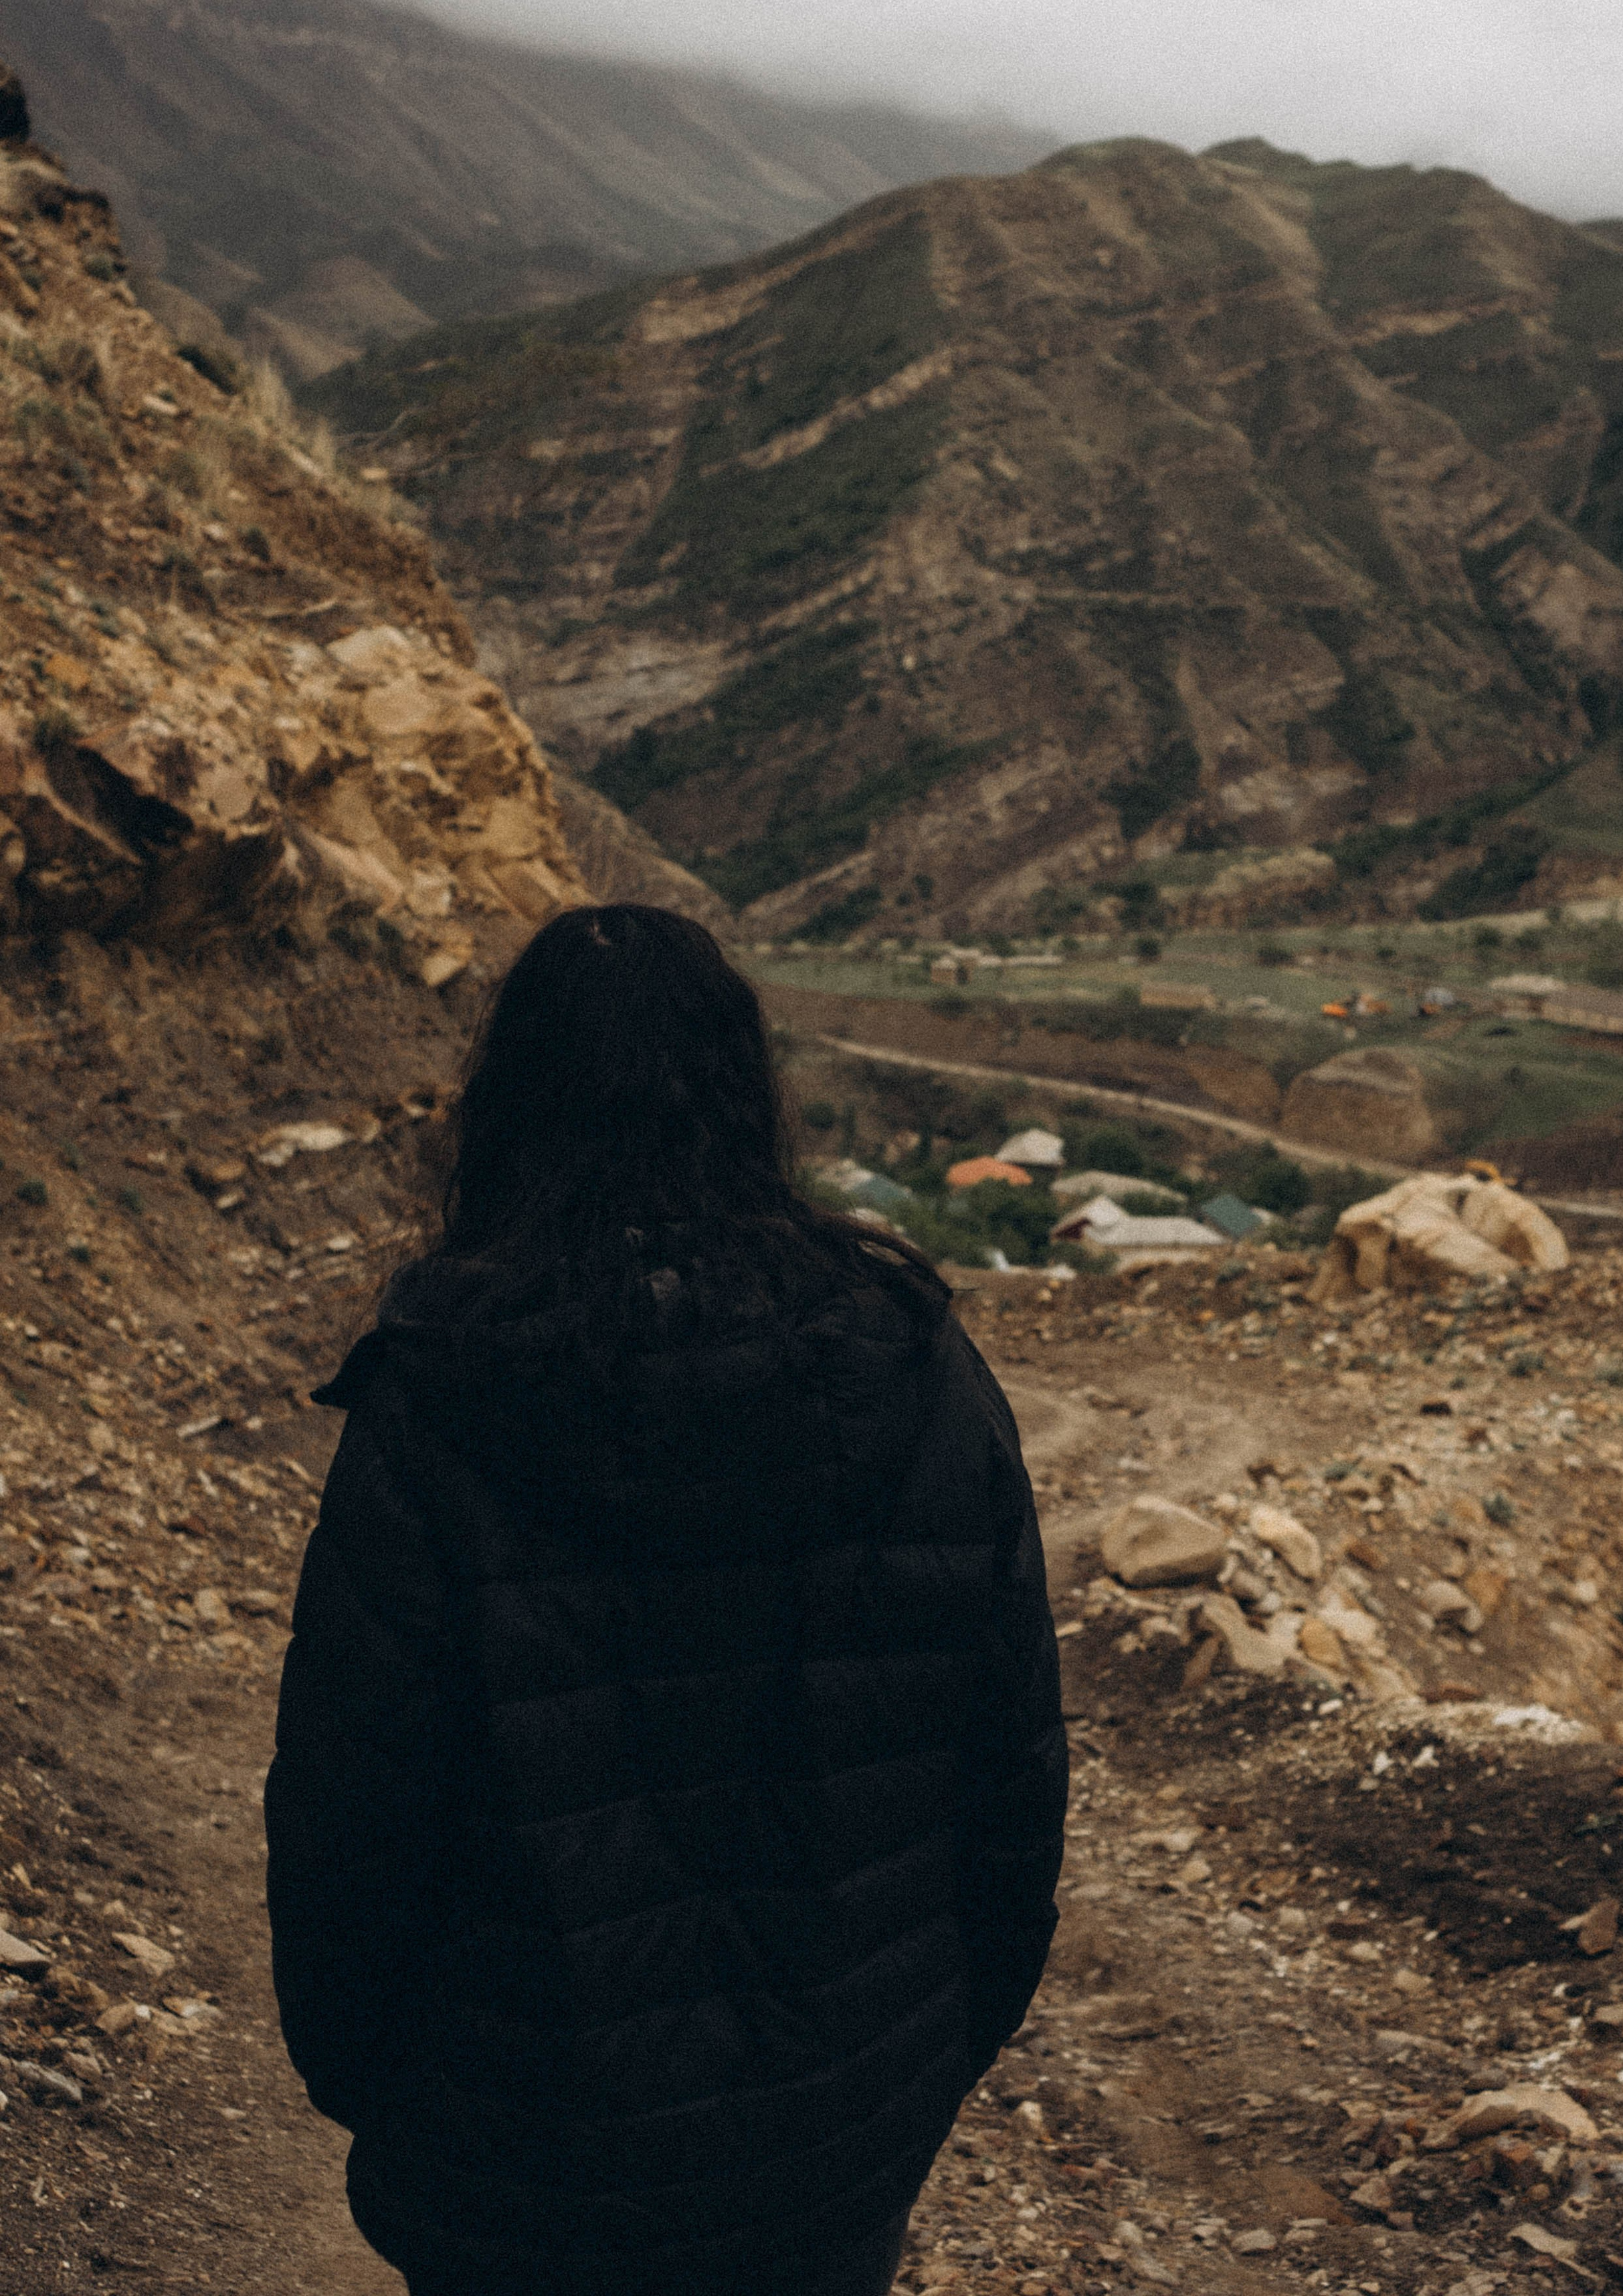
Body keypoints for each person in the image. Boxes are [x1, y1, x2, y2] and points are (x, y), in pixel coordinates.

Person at [265, 905, 1067, 2296]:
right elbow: (1009, 1776)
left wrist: (380, 2091)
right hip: (832, 2143)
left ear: (507, 1107)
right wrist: (925, 2054)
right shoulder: (915, 1366)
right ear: (748, 1098)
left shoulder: (438, 1396)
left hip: (520, 2157)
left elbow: (353, 1812)